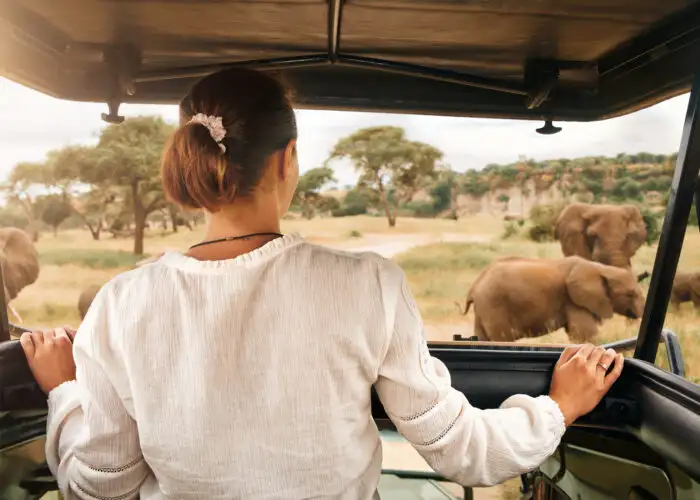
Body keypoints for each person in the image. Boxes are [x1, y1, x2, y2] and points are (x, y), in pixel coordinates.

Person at [21, 67, 624, 500]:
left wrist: (65, 393)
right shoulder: (368, 284)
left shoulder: (122, 303)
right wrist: (558, 407)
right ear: (286, 161)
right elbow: (460, 448)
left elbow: (101, 485)